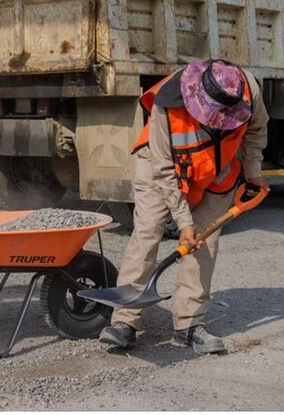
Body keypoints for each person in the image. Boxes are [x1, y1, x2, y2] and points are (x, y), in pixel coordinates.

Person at [99, 59, 269, 355]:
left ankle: (190, 325)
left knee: (205, 243)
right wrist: (183, 222)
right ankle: (125, 321)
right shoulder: (168, 100)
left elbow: (256, 131)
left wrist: (253, 170)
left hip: (217, 175)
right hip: (161, 169)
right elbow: (164, 169)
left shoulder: (247, 90)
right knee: (147, 233)